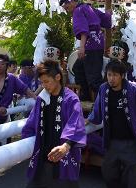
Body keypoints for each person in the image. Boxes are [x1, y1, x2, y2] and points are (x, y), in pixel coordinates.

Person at [87, 59, 136, 188]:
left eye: (115, 75)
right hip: (111, 141)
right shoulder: (103, 89)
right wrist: (89, 120)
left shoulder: (134, 89)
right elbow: (97, 110)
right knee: (108, 172)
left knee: (131, 177)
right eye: (109, 75)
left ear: (122, 75)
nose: (111, 78)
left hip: (130, 141)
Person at [22, 59, 86, 188]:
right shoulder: (42, 98)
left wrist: (65, 147)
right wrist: (25, 144)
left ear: (57, 77)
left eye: (47, 82)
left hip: (63, 155)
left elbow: (76, 126)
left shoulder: (71, 99)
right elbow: (32, 122)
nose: (44, 86)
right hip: (43, 155)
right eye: (42, 82)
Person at [60, 0, 112, 101]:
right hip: (97, 44)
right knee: (77, 69)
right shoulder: (88, 8)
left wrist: (82, 47)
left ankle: (103, 104)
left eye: (67, 7)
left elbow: (83, 30)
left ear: (70, 2)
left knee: (94, 79)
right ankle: (86, 96)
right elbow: (105, 19)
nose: (67, 10)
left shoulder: (78, 10)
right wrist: (108, 13)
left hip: (90, 46)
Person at [0, 54, 36, 147]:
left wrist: (37, 100)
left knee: (2, 142)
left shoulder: (12, 79)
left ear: (7, 65)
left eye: (2, 64)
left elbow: (25, 89)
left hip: (2, 115)